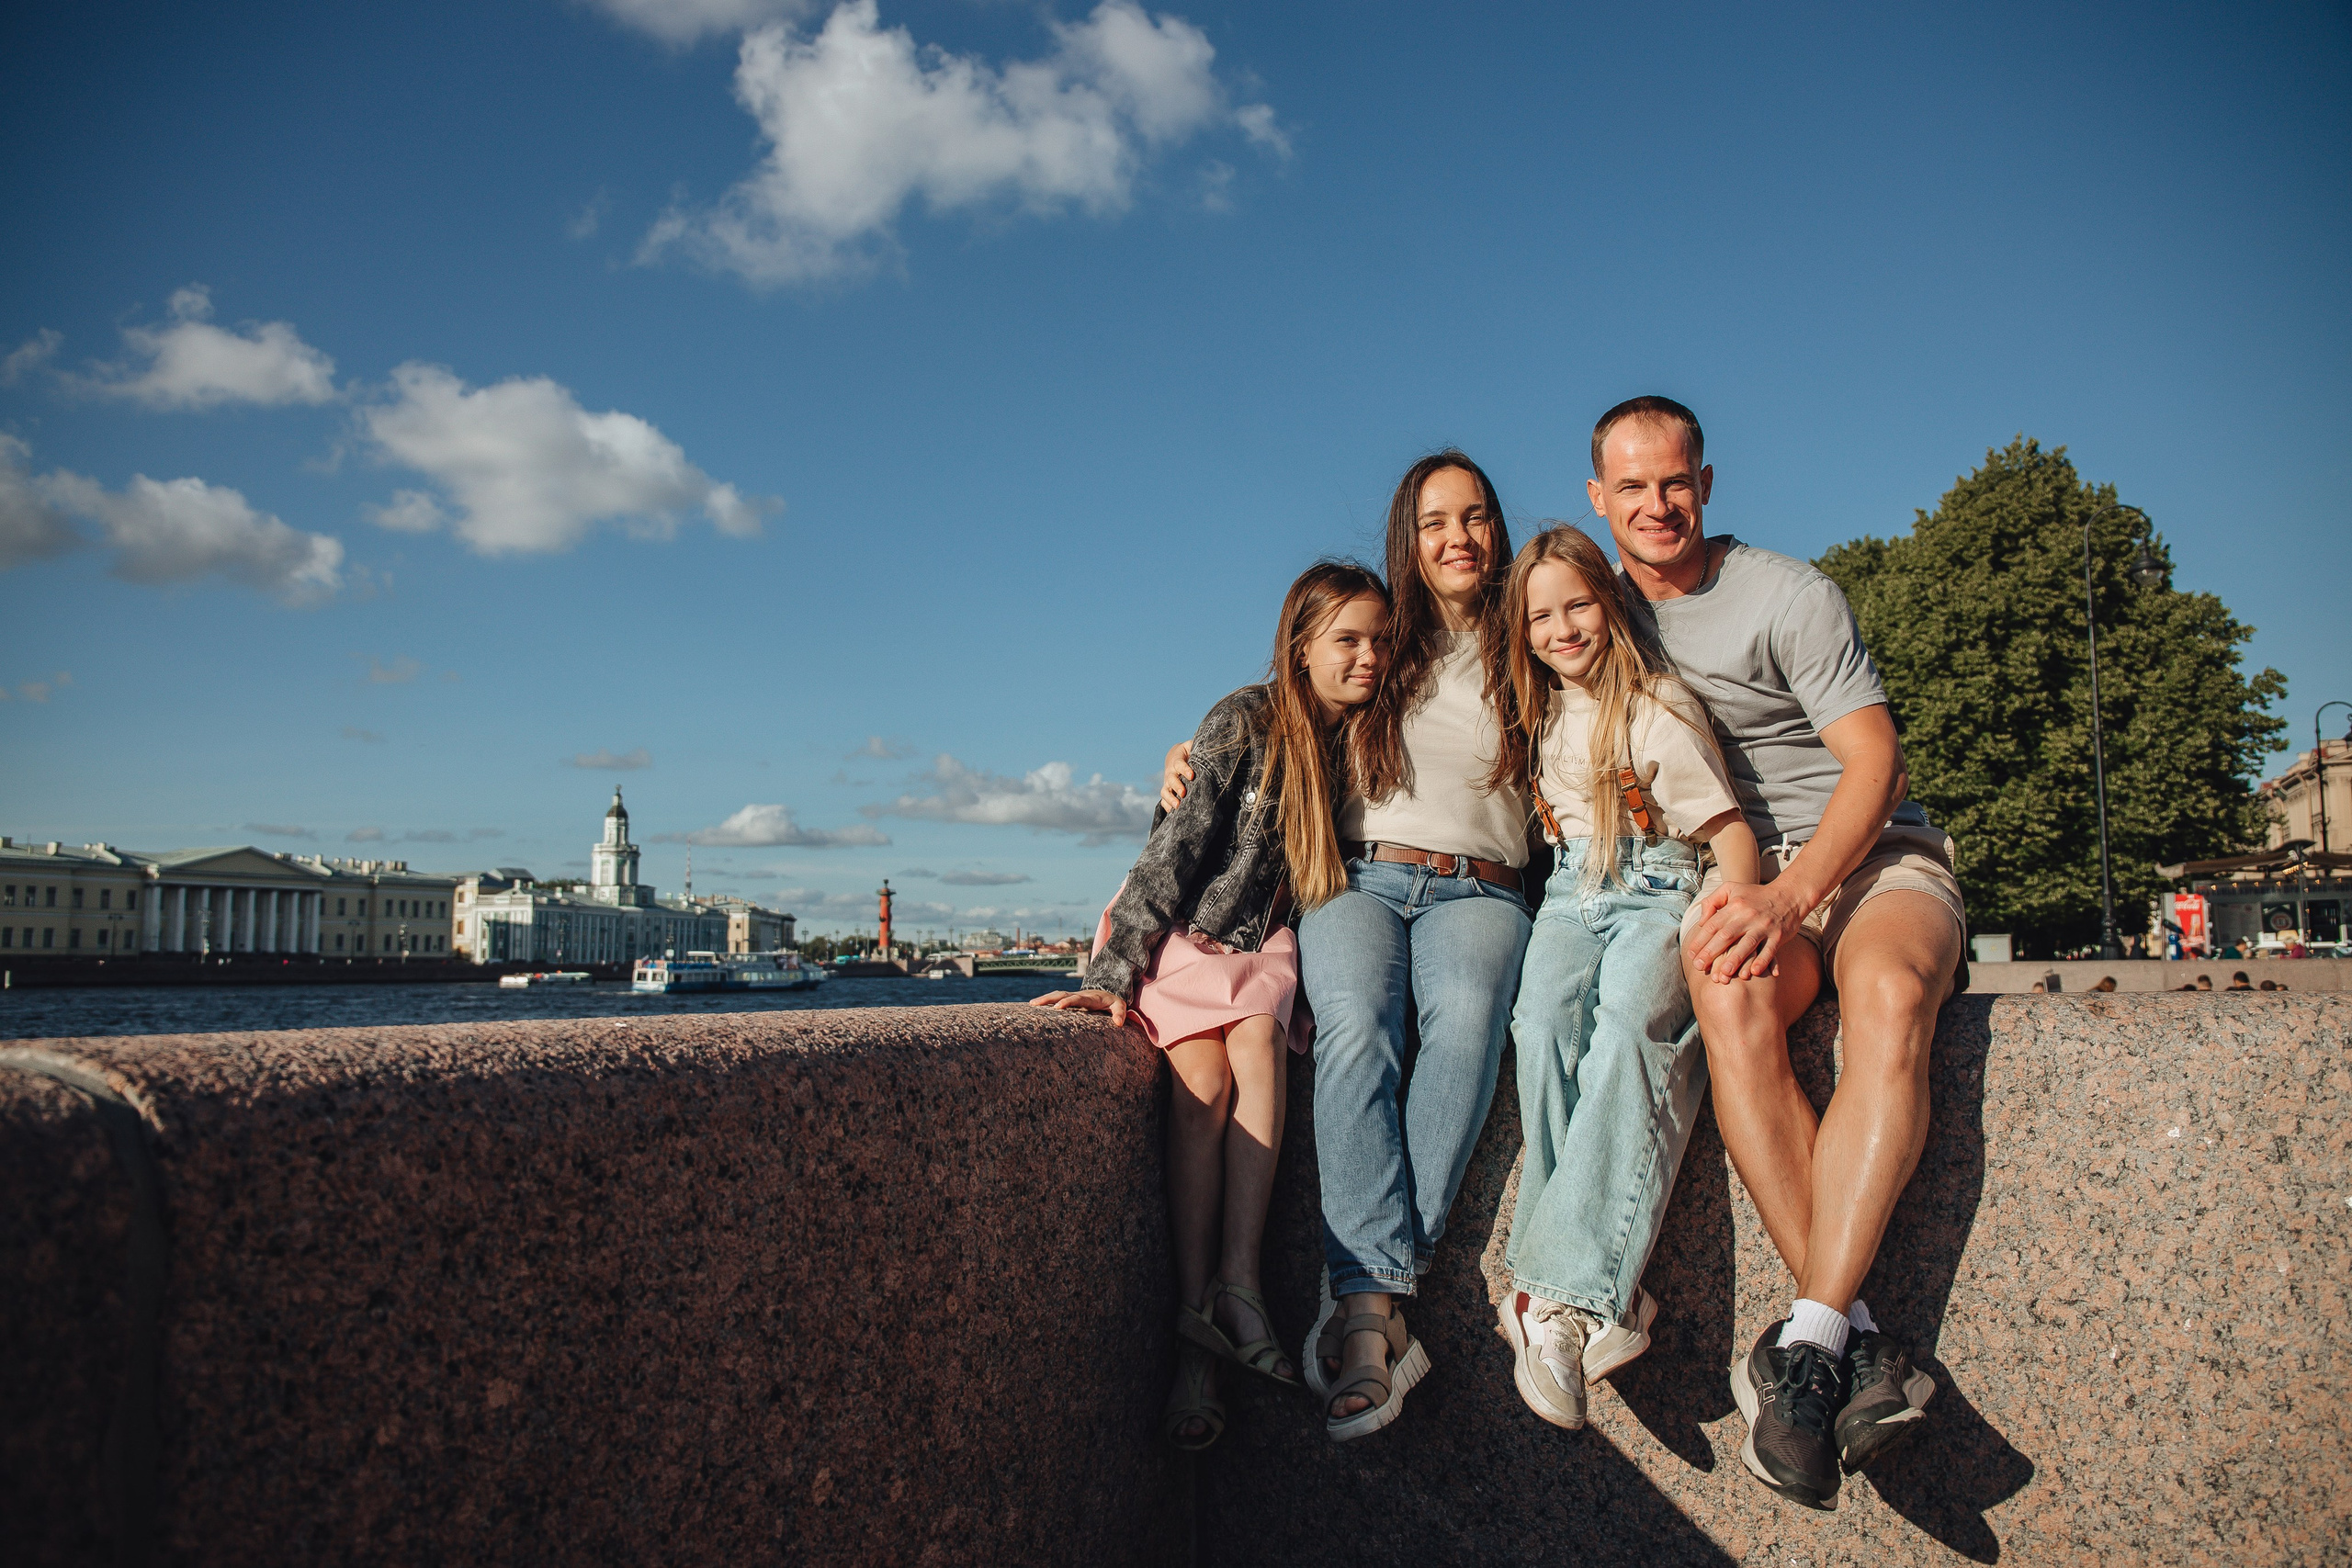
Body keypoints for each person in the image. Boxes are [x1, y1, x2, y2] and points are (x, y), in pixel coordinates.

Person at [1587, 396, 1962, 1509]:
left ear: (1705, 484)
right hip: (1748, 879)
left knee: (1890, 1000)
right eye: (1632, 487)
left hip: (1873, 862)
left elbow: (1875, 763)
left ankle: (1801, 1347)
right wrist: (1222, 735)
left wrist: (1795, 894)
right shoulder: (1592, 609)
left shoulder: (1788, 596)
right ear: (1597, 499)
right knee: (1725, 986)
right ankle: (1857, 1343)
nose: (1657, 505)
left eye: (1675, 482)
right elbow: (1443, 672)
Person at [1161, 451, 1537, 1442]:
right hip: (1361, 875)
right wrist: (1196, 749)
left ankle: (1364, 1290)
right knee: (1354, 1030)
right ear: (1407, 542)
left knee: (1463, 1026)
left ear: (1498, 528)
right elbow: (1293, 688)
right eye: (1434, 523)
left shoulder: (1528, 634)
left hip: (1483, 887)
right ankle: (1378, 1309)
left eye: (1475, 517)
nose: (1457, 538)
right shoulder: (1388, 638)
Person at [1032, 560, 1389, 1450]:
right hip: (1182, 936)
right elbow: (1174, 852)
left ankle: (1239, 1285)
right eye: (1347, 640)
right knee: (1201, 1082)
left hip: (1259, 948)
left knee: (1258, 1048)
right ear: (1300, 645)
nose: (1369, 657)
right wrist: (1115, 974)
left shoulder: (1367, 744)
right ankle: (1201, 1329)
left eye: (1380, 641)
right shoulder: (1242, 720)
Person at [1487, 525, 1760, 1430]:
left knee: (1630, 1025)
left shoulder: (1658, 704)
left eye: (1577, 605)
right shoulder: (1535, 717)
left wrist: (1734, 918)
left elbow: (1726, 837)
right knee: (1540, 1028)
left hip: (1659, 884)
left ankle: (1554, 1302)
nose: (1562, 628)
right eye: (1540, 616)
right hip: (1571, 889)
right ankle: (1601, 1293)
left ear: (1609, 605)